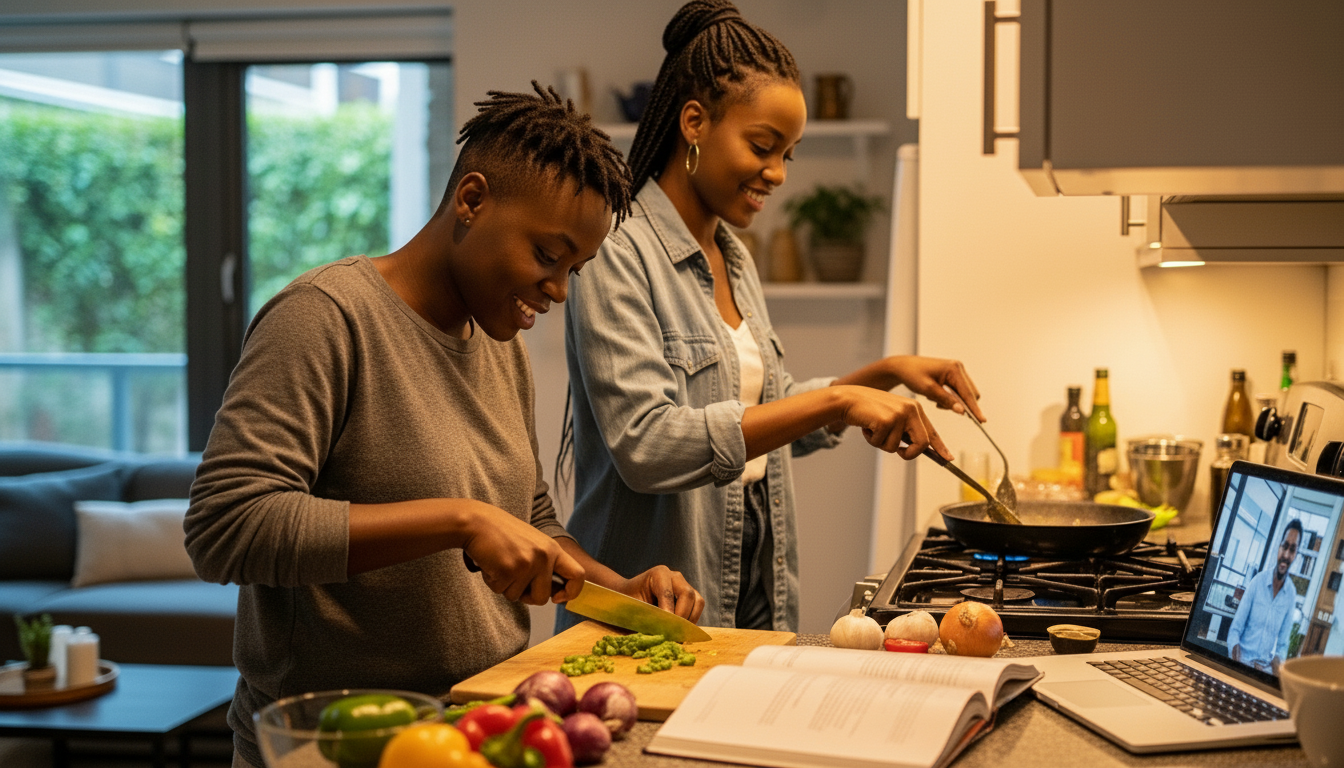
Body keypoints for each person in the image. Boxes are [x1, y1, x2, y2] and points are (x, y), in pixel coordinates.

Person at [184, 84, 704, 768]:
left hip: (481, 728)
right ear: (472, 200)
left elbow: (530, 519)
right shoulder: (324, 319)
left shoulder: (498, 342)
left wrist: (619, 589)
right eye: (547, 257)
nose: (560, 291)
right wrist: (459, 520)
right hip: (337, 744)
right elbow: (226, 528)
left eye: (574, 269)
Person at [558, 0, 984, 634]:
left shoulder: (732, 255)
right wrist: (841, 404)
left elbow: (776, 411)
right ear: (694, 122)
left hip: (751, 589)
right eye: (763, 146)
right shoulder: (616, 248)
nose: (779, 174)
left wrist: (886, 374)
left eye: (790, 153)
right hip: (646, 621)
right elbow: (647, 447)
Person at [1227, 519, 1303, 674]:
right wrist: (1235, 649)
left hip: (1265, 671)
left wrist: (1278, 659)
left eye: (1293, 549)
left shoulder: (1291, 595)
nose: (1286, 555)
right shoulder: (1257, 582)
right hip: (1241, 663)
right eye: (1285, 546)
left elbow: (1282, 645)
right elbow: (1235, 629)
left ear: (1296, 555)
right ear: (1279, 547)